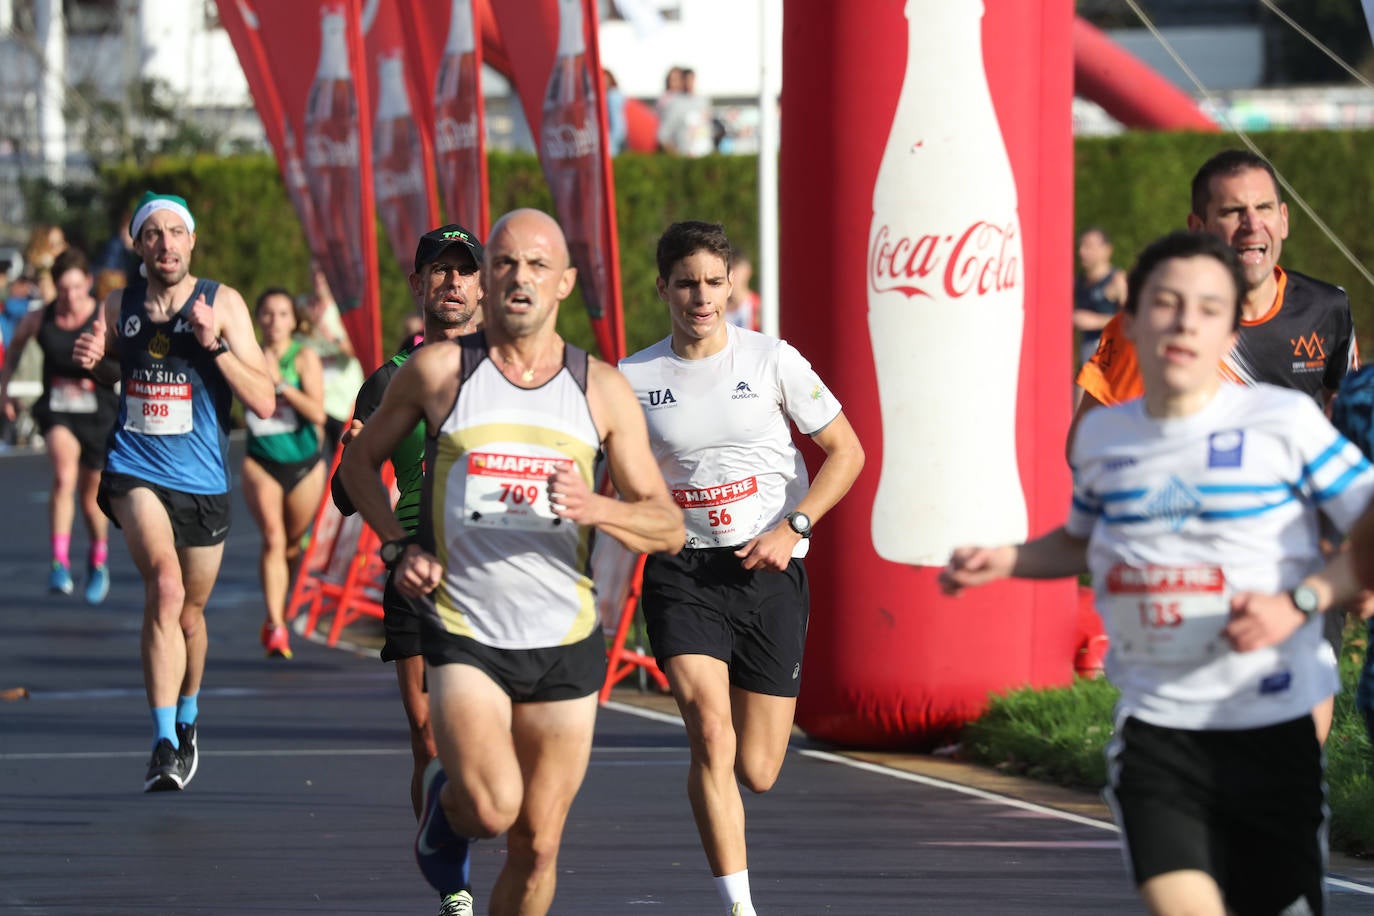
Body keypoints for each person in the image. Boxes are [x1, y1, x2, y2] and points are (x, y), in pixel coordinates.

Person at [942, 230, 1374, 916]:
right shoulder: (1105, 438)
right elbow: (1085, 542)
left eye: (1206, 308)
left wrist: (1306, 597)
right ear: (1132, 320)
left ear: (1230, 328)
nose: (1183, 322)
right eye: (1165, 303)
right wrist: (1009, 559)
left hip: (1272, 725)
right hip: (1159, 732)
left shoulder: (1283, 422)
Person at [337, 208, 684, 916]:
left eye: (535, 265)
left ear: (564, 283)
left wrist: (600, 509)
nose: (518, 277)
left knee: (539, 846)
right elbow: (358, 461)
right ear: (487, 282)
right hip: (466, 630)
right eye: (503, 264)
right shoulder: (438, 373)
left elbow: (668, 525)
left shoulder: (600, 389)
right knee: (493, 807)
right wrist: (397, 544)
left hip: (564, 641)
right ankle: (449, 806)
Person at [1069, 149, 1360, 743]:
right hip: (1191, 574)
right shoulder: (1153, 320)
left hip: (1296, 557)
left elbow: (1348, 427)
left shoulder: (1327, 307)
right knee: (1203, 742)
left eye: (1262, 209)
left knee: (1297, 738)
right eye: (1232, 212)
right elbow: (1086, 447)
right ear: (1198, 229)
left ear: (1284, 219)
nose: (1251, 225)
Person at [618, 221, 864, 916]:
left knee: (756, 768)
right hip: (683, 573)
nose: (701, 297)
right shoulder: (631, 378)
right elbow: (597, 472)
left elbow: (847, 452)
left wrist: (795, 526)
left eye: (714, 283)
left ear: (732, 286)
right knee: (710, 731)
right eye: (687, 283)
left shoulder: (773, 360)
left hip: (770, 573)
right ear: (662, 286)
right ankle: (739, 907)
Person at [71, 191, 274, 792]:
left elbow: (264, 399)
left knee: (189, 613)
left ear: (192, 241)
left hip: (204, 482)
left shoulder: (223, 303)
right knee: (164, 586)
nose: (165, 244)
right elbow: (119, 373)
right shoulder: (119, 303)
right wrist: (95, 362)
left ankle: (187, 718)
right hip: (136, 468)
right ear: (138, 246)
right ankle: (162, 743)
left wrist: (214, 345)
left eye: (175, 232)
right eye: (153, 234)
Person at [331, 223, 485, 916]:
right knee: (426, 730)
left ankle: (479, 816)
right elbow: (345, 493)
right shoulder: (389, 380)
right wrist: (356, 452)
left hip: (491, 569)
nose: (452, 282)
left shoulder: (513, 368)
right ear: (419, 286)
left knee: (492, 731)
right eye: (439, 271)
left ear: (483, 285)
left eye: (464, 271)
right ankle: (452, 881)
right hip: (416, 564)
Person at [0, 247, 119, 602]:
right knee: (63, 476)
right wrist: (5, 390)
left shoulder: (102, 316)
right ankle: (59, 563)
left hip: (98, 411)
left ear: (88, 284)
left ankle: (98, 560)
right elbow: (15, 348)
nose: (70, 296)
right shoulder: (39, 319)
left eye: (77, 288)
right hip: (58, 411)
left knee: (90, 497)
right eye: (64, 289)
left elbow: (121, 362)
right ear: (55, 288)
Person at [243, 288, 326, 660]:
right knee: (274, 539)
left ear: (294, 320)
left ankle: (279, 606)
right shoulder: (247, 354)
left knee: (292, 545)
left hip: (304, 461)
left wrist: (280, 385)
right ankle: (276, 624)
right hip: (260, 459)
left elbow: (319, 414)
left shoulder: (304, 356)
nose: (274, 321)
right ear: (257, 319)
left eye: (282, 314)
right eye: (268, 314)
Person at [303, 264, 364, 459]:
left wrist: (328, 334)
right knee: (316, 459)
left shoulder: (345, 309)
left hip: (344, 399)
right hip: (316, 397)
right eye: (314, 274)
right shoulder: (303, 306)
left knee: (346, 457)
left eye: (323, 274)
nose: (319, 279)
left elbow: (357, 350)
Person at [1072, 226, 1126, 367]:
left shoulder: (1118, 280)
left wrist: (1095, 321)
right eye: (1081, 246)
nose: (1082, 252)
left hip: (1112, 356)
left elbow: (1133, 321)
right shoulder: (1078, 282)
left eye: (1089, 246)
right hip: (1085, 354)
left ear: (1106, 250)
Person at [725, 248, 760, 331]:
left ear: (748, 271)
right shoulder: (713, 308)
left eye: (735, 267)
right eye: (728, 269)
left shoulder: (759, 307)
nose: (731, 274)